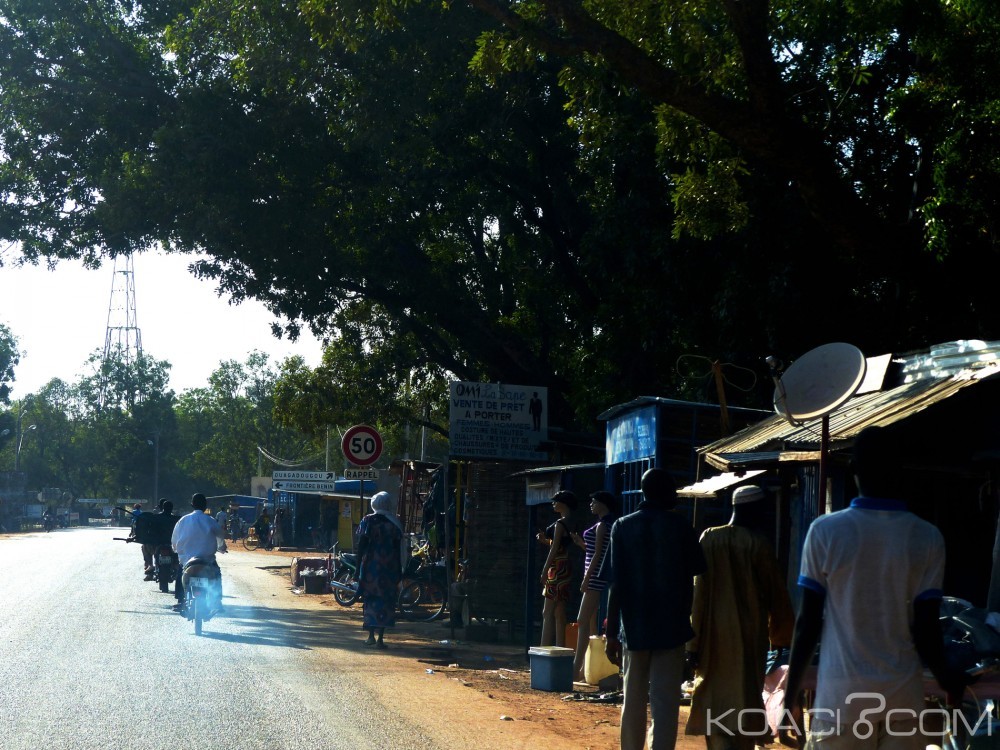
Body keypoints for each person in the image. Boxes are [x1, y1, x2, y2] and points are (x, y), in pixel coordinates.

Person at [783, 425, 970, 748]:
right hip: (901, 700)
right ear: (900, 470)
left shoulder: (825, 532)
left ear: (853, 469)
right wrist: (948, 679)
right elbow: (926, 630)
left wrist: (791, 695)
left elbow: (808, 623)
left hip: (840, 701)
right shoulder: (926, 537)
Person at [603, 467, 707, 750]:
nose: (675, 494)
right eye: (672, 489)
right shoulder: (681, 527)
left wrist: (611, 633)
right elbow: (697, 577)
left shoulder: (622, 526)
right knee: (665, 702)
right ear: (663, 492)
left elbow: (616, 584)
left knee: (633, 698)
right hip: (671, 628)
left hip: (634, 628)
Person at [684, 484, 794, 750]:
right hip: (749, 637)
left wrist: (693, 643)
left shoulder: (709, 538)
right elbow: (776, 594)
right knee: (745, 698)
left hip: (712, 637)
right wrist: (781, 636)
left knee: (714, 697)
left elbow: (698, 595)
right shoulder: (758, 544)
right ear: (753, 509)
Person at [569, 490, 618, 682]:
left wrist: (587, 578)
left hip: (594, 577)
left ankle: (576, 668)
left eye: (594, 502)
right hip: (596, 575)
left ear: (603, 505)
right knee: (589, 622)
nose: (591, 505)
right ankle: (583, 669)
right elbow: (595, 550)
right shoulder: (608, 524)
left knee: (582, 620)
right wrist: (581, 543)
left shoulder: (602, 525)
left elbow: (598, 554)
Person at [356, 491, 405, 648]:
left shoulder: (368, 521)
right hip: (389, 569)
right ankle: (381, 639)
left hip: (370, 567)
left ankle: (370, 636)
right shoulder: (394, 524)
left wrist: (357, 568)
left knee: (370, 600)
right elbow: (398, 550)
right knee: (387, 601)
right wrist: (399, 570)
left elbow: (361, 546)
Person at [171, 493, 228, 613]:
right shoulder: (210, 520)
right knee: (216, 574)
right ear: (205, 506)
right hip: (207, 561)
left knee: (180, 573)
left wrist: (176, 550)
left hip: (187, 561)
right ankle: (217, 602)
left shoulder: (183, 521)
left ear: (192, 505)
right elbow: (220, 538)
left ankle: (181, 601)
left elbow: (174, 541)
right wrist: (222, 547)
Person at [537, 490, 577, 647]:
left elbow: (554, 550)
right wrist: (546, 541)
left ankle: (543, 649)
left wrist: (545, 570)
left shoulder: (560, 524)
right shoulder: (571, 521)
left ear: (564, 504)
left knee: (547, 612)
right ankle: (560, 648)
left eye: (556, 501)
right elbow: (559, 546)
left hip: (556, 566)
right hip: (565, 565)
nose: (553, 503)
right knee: (559, 612)